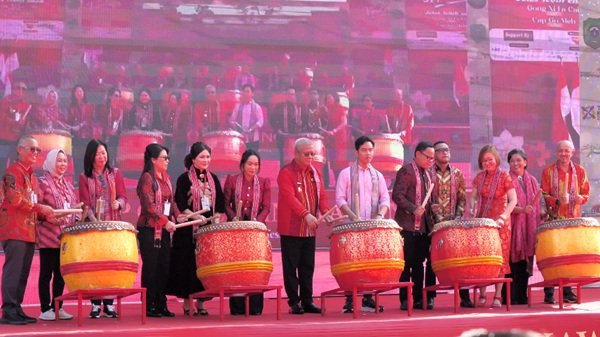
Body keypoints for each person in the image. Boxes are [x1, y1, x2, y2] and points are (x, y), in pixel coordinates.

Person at [0, 135, 54, 325]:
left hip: (28, 232)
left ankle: (17, 308)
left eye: (38, 150)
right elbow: (15, 200)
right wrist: (41, 209)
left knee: (22, 273)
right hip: (14, 230)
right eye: (32, 149)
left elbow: (32, 204)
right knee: (13, 271)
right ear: (19, 150)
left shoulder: (30, 175)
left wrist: (45, 214)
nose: (36, 153)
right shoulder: (12, 173)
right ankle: (8, 310)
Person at [168, 141, 225, 316]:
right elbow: (180, 203)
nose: (206, 160)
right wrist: (195, 216)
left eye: (208, 156)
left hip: (207, 231)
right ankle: (187, 303)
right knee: (188, 266)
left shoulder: (213, 179)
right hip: (188, 231)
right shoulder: (183, 179)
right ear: (193, 159)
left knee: (205, 267)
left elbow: (220, 205)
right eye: (202, 157)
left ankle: (202, 302)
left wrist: (215, 219)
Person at [335, 136, 389, 313]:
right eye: (365, 150)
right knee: (351, 263)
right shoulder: (346, 174)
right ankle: (349, 301)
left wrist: (380, 215)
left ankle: (367, 299)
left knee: (370, 264)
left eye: (371, 150)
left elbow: (385, 198)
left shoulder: (378, 176)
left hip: (372, 228)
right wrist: (352, 216)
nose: (368, 153)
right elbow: (340, 198)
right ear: (356, 152)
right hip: (352, 227)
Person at [277, 137, 331, 315]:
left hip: (309, 229)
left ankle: (307, 300)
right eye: (306, 154)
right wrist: (305, 214)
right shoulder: (286, 173)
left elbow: (321, 195)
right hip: (291, 228)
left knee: (308, 267)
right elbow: (290, 198)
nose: (310, 157)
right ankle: (294, 302)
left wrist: (326, 212)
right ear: (296, 154)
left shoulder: (315, 172)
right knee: (291, 267)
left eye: (312, 154)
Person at [78, 139, 127, 318]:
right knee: (95, 265)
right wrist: (94, 222)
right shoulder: (85, 176)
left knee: (111, 264)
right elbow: (85, 203)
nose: (102, 156)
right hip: (94, 229)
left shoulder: (115, 173)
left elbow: (124, 197)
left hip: (112, 228)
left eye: (104, 153)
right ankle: (95, 304)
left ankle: (109, 303)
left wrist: (118, 203)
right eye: (98, 153)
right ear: (91, 156)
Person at [540, 140, 590, 304]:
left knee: (569, 257)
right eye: (561, 151)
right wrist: (557, 201)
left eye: (567, 151)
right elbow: (544, 195)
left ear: (572, 153)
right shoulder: (548, 171)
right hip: (554, 221)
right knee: (553, 256)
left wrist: (579, 198)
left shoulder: (580, 171)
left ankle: (567, 291)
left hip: (572, 221)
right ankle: (549, 292)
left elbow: (585, 194)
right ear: (556, 153)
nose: (564, 154)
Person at [223, 149, 271, 315]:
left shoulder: (264, 182)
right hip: (236, 231)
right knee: (237, 269)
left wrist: (257, 222)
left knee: (255, 269)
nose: (253, 167)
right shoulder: (232, 180)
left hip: (254, 232)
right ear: (242, 165)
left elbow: (266, 207)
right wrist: (233, 217)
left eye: (256, 164)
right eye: (250, 164)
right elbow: (226, 203)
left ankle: (255, 307)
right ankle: (237, 307)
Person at [470, 145, 517, 308]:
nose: (487, 163)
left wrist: (504, 216)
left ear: (496, 159)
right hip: (483, 221)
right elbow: (474, 198)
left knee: (500, 257)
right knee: (482, 256)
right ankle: (482, 293)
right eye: (484, 161)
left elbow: (513, 200)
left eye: (490, 159)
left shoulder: (505, 176)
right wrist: (472, 208)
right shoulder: (479, 177)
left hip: (501, 222)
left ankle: (497, 296)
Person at [392, 141, 436, 310]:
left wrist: (433, 206)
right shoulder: (406, 171)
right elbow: (397, 196)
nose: (431, 161)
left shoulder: (427, 174)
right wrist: (413, 209)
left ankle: (418, 298)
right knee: (406, 264)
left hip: (423, 228)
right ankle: (404, 299)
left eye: (432, 158)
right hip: (407, 225)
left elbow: (427, 201)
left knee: (419, 264)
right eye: (428, 157)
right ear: (417, 154)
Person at [136, 143, 177, 318]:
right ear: (153, 160)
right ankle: (148, 304)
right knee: (151, 267)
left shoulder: (166, 178)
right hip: (149, 229)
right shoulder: (147, 178)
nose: (167, 161)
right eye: (164, 158)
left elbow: (171, 203)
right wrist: (165, 221)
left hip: (165, 230)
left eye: (168, 158)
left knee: (163, 266)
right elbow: (149, 207)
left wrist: (179, 215)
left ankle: (161, 303)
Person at [36, 149, 77, 321]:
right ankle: (45, 308)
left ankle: (57, 306)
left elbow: (73, 206)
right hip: (48, 236)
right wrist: (47, 216)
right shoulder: (42, 182)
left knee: (61, 274)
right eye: (59, 161)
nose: (62, 164)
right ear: (51, 162)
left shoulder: (67, 184)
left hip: (65, 238)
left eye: (64, 161)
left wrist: (76, 215)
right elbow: (36, 207)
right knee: (46, 273)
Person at [429, 141, 470, 307]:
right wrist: (436, 217)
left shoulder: (457, 173)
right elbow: (427, 198)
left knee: (459, 260)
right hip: (433, 224)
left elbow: (462, 198)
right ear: (434, 155)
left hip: (454, 223)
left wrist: (458, 217)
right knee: (431, 259)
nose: (445, 153)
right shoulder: (428, 173)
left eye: (447, 150)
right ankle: (430, 296)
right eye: (440, 151)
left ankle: (464, 296)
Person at [507, 149, 541, 305]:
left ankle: (522, 296)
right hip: (512, 227)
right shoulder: (506, 180)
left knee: (526, 263)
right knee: (513, 263)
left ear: (525, 162)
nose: (516, 163)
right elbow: (503, 206)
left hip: (529, 227)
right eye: (512, 161)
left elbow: (537, 205)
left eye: (519, 160)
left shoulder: (532, 180)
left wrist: (540, 214)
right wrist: (521, 210)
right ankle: (511, 297)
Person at [67, 85, 99, 177]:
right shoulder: (71, 108)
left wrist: (82, 125)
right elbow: (69, 122)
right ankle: (78, 177)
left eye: (80, 91)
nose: (79, 93)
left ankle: (88, 177)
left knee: (87, 157)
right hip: (76, 136)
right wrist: (73, 127)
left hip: (87, 136)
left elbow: (93, 120)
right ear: (74, 94)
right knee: (77, 158)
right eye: (77, 91)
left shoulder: (90, 106)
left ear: (84, 93)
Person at [270, 87, 305, 167]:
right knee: (284, 161)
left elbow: (305, 122)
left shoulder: (300, 108)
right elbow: (272, 120)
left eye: (293, 94)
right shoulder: (279, 107)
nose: (291, 96)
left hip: (296, 139)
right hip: (283, 138)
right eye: (289, 94)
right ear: (286, 95)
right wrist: (277, 129)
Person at [0, 82, 31, 167]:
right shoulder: (6, 101)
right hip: (5, 137)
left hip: (18, 139)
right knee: (2, 160)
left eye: (23, 89)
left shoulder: (26, 104)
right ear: (13, 90)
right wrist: (15, 122)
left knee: (14, 161)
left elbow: (28, 122)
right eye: (18, 88)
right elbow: (2, 117)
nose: (20, 90)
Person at [229, 84, 264, 151]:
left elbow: (260, 121)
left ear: (252, 94)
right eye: (244, 91)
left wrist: (251, 129)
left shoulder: (256, 107)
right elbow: (232, 120)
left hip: (253, 140)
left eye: (247, 91)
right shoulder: (238, 106)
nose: (245, 93)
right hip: (240, 138)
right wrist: (236, 127)